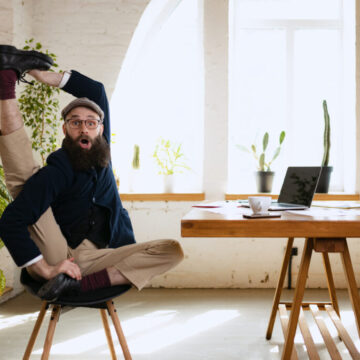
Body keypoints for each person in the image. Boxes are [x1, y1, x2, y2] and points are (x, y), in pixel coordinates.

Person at [0, 45, 184, 301]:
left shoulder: (102, 150)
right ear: (65, 130)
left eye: (90, 123)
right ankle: (5, 81)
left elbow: (95, 91)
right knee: (26, 184)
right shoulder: (59, 169)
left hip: (103, 255)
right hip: (61, 252)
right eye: (75, 123)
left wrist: (37, 72)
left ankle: (77, 286)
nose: (84, 129)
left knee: (171, 250)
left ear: (101, 128)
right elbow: (11, 220)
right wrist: (43, 267)